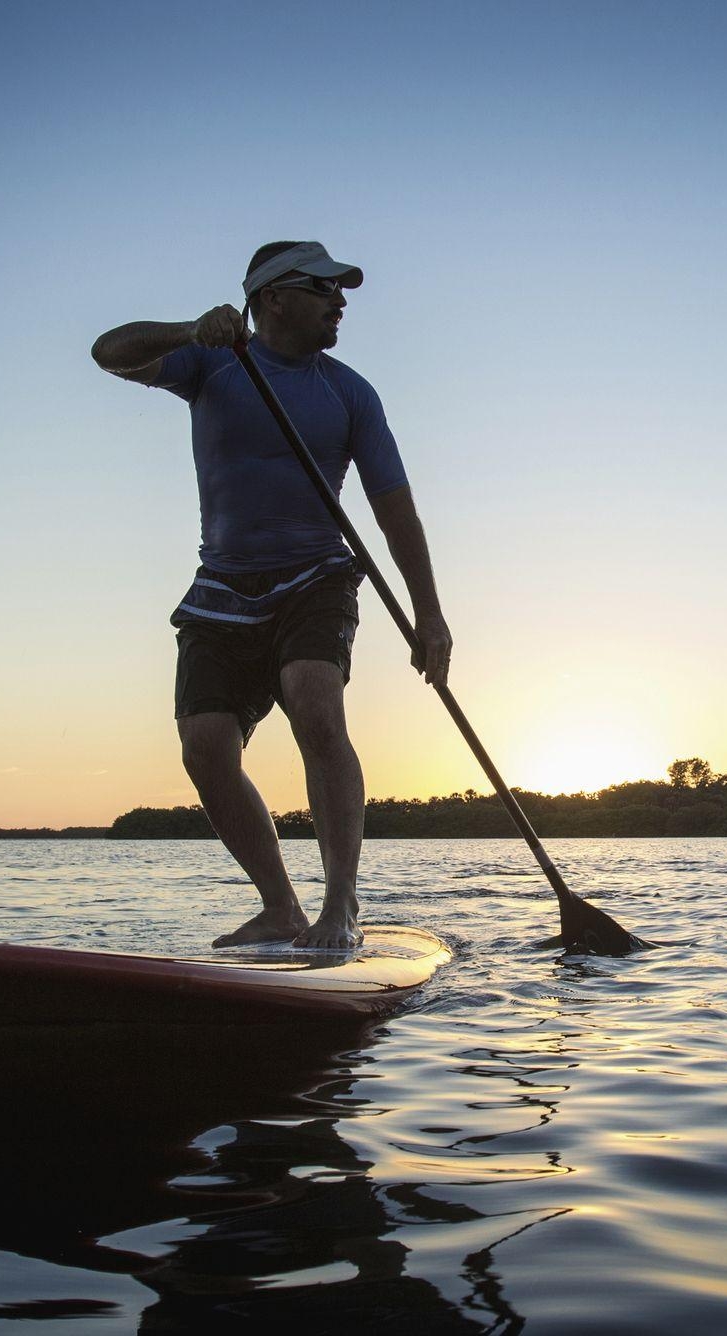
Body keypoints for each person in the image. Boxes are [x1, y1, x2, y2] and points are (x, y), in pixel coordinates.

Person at [90, 241, 452, 949]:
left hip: (315, 576)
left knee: (314, 702)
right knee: (204, 747)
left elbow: (395, 511)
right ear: (274, 298)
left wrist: (428, 614)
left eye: (340, 291)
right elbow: (109, 350)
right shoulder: (212, 363)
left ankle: (340, 904)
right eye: (324, 289)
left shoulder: (350, 392)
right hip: (221, 586)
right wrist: (190, 330)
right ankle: (281, 905)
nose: (339, 302)